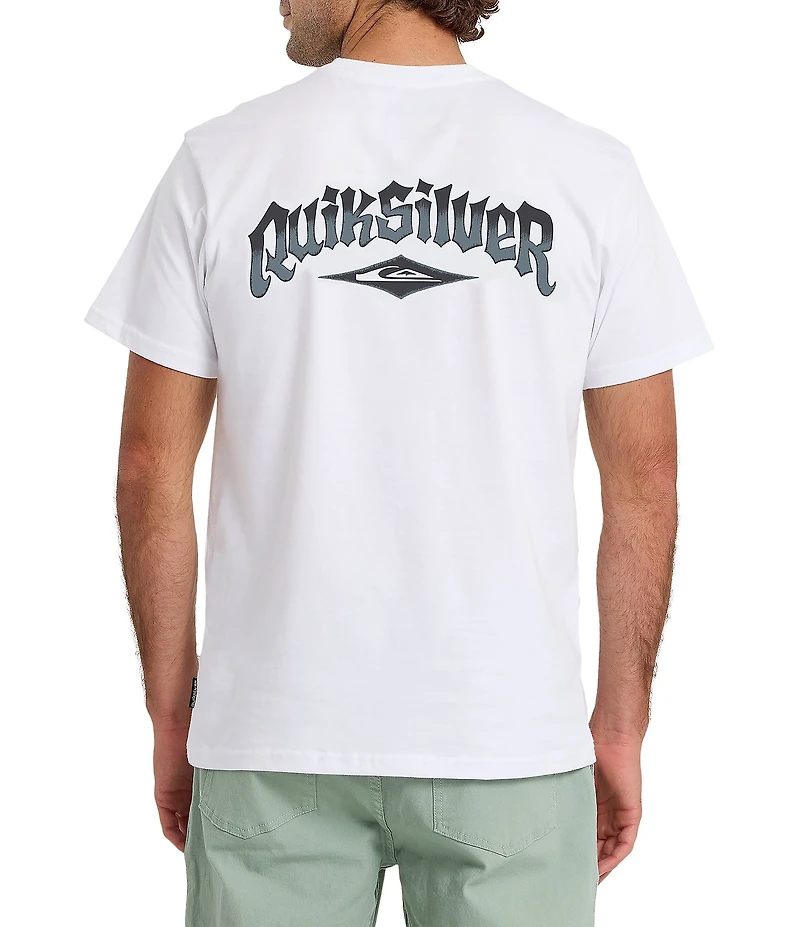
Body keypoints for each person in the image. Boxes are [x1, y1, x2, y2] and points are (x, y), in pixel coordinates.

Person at [85, 2, 712, 924]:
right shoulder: (588, 172)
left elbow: (150, 465)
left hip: (273, 735)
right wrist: (620, 727)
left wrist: (175, 715)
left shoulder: (221, 162)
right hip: (506, 737)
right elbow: (646, 480)